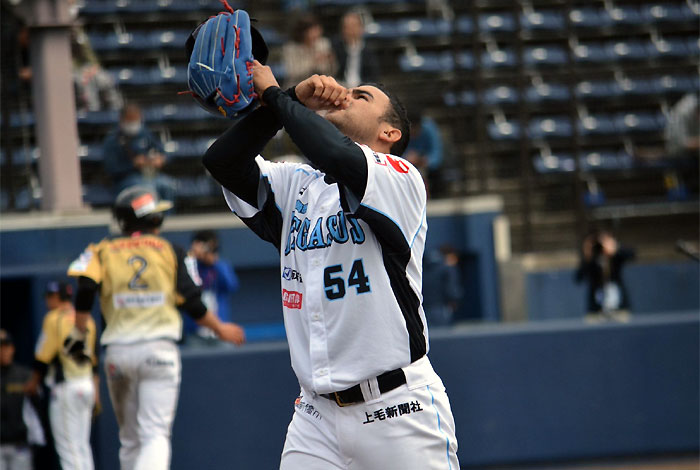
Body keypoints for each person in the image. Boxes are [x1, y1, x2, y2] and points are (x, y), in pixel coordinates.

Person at [202, 64, 459, 469]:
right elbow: (223, 161)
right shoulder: (298, 183)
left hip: (398, 408)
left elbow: (335, 153)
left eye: (362, 96)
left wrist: (276, 96)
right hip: (315, 417)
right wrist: (288, 100)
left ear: (389, 133)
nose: (347, 94)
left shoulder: (401, 178)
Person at [66, 186, 246, 470]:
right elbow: (192, 302)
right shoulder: (170, 250)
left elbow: (86, 288)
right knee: (155, 435)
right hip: (159, 350)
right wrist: (220, 328)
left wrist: (78, 333)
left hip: (118, 352)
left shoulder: (101, 250)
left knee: (129, 440)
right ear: (153, 219)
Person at [25, 281, 98, 470]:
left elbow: (43, 358)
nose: (47, 301)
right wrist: (97, 392)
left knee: (68, 448)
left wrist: (33, 382)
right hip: (86, 384)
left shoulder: (54, 318)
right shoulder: (86, 318)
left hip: (66, 387)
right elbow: (94, 361)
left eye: (50, 297)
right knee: (82, 446)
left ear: (57, 297)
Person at [101, 103, 176, 201]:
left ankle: (168, 211)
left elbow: (164, 153)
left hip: (148, 176)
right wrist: (133, 164)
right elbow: (111, 169)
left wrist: (161, 159)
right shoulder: (112, 140)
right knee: (147, 189)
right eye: (130, 120)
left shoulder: (145, 134)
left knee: (167, 185)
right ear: (121, 119)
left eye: (136, 120)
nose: (133, 124)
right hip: (125, 180)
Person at [182, 230, 240, 346]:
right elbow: (184, 286)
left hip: (221, 332)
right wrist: (192, 258)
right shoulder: (191, 266)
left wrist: (213, 262)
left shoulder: (221, 266)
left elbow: (232, 285)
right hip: (195, 333)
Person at [575, 229, 636, 321]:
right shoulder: (591, 260)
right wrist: (587, 254)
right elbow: (578, 278)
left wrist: (616, 248)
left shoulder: (616, 257)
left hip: (619, 306)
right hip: (595, 309)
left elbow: (632, 255)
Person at [1, 329, 33, 470]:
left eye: (6, 346)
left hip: (20, 444)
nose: (3, 351)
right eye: (0, 347)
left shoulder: (24, 375)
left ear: (12, 348)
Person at [282, 14, 337, 88]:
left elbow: (331, 72)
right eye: (313, 30)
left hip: (320, 86)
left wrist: (331, 62)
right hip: (297, 86)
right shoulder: (291, 48)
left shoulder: (323, 43)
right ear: (303, 32)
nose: (317, 33)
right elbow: (293, 73)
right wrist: (314, 62)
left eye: (318, 29)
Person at [332, 10, 380, 88]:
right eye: (346, 27)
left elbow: (374, 76)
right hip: (340, 87)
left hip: (362, 88)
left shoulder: (369, 51)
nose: (350, 31)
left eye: (353, 26)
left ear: (361, 28)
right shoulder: (335, 47)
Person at [404, 109, 445, 198]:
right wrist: (406, 159)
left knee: (437, 173)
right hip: (408, 165)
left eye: (415, 129)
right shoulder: (402, 131)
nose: (413, 133)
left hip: (428, 165)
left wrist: (427, 161)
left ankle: (437, 196)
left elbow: (437, 152)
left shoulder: (429, 128)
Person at [422, 245, 463, 327]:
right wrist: (454, 301)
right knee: (442, 333)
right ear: (450, 255)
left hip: (422, 308)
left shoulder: (423, 265)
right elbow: (452, 290)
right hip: (441, 308)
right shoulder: (447, 268)